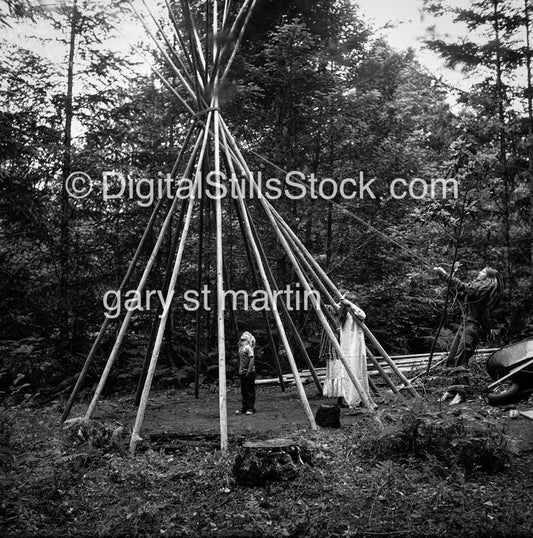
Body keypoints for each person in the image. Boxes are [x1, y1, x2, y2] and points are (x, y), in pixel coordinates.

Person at [434, 266, 503, 405]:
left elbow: (465, 288)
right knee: (452, 358)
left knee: (461, 359)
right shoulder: (479, 288)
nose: (479, 272)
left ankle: (461, 393)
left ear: (489, 278)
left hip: (473, 328)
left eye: (483, 272)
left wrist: (445, 275)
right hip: (465, 325)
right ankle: (453, 389)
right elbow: (462, 293)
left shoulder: (483, 288)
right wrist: (449, 284)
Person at [321, 291, 373, 409]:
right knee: (347, 374)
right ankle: (349, 399)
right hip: (346, 348)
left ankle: (359, 398)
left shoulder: (356, 312)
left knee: (357, 372)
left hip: (356, 347)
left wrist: (349, 304)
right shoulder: (343, 315)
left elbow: (362, 315)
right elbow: (332, 307)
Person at [236, 331, 256, 415]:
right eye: (241, 339)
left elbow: (251, 359)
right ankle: (244, 407)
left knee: (250, 390)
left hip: (250, 372)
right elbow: (241, 360)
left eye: (243, 339)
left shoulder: (248, 347)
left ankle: (251, 408)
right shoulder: (241, 348)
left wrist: (249, 370)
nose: (242, 341)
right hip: (243, 372)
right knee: (243, 390)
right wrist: (240, 369)